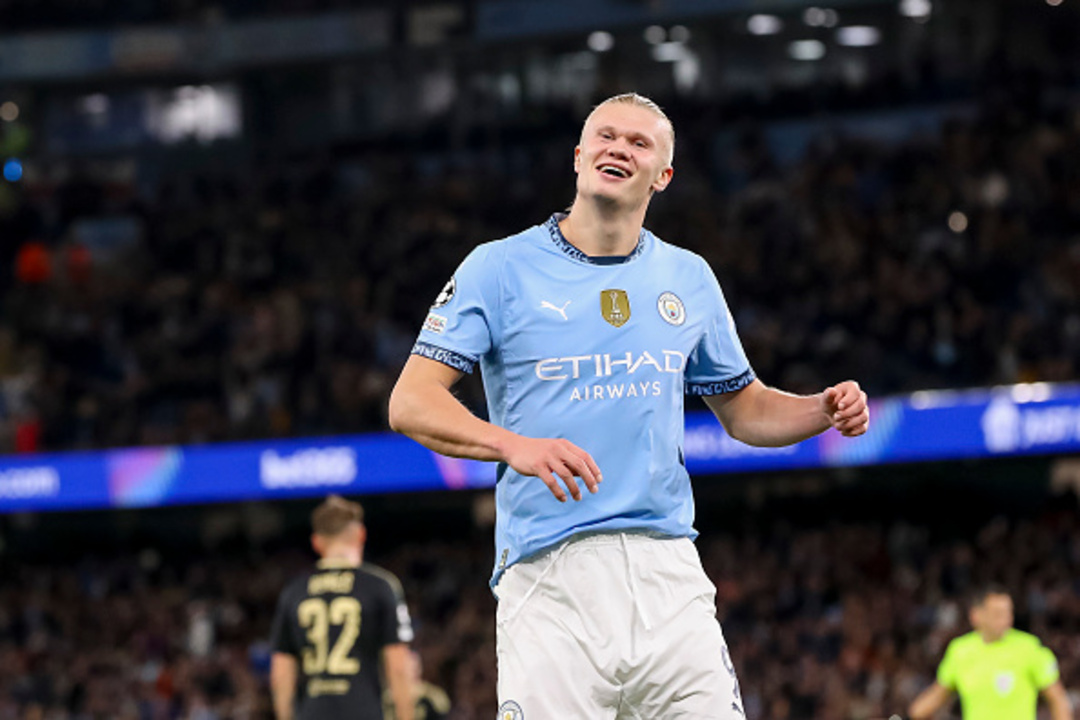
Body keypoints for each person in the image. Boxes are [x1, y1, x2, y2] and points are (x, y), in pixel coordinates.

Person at [388, 92, 870, 719]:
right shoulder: (498, 268)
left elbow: (745, 409)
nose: (618, 148)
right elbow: (411, 400)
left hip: (668, 568)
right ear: (578, 156)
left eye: (639, 143)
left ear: (662, 175)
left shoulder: (688, 277)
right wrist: (514, 445)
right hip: (549, 573)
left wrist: (820, 410)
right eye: (606, 136)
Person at [269, 495, 416, 720]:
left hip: (313, 713)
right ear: (361, 534)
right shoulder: (380, 587)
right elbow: (397, 666)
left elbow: (281, 672)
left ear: (316, 542)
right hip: (364, 711)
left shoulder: (294, 592)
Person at [908, 586, 1072, 720]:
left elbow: (1057, 700)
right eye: (998, 614)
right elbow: (936, 696)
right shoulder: (960, 650)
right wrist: (908, 715)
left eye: (1008, 613)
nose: (1006, 620)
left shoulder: (1029, 648)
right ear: (976, 615)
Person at [382, 649, 452, 720]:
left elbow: (442, 712)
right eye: (409, 665)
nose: (414, 669)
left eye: (416, 665)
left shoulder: (432, 695)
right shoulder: (387, 696)